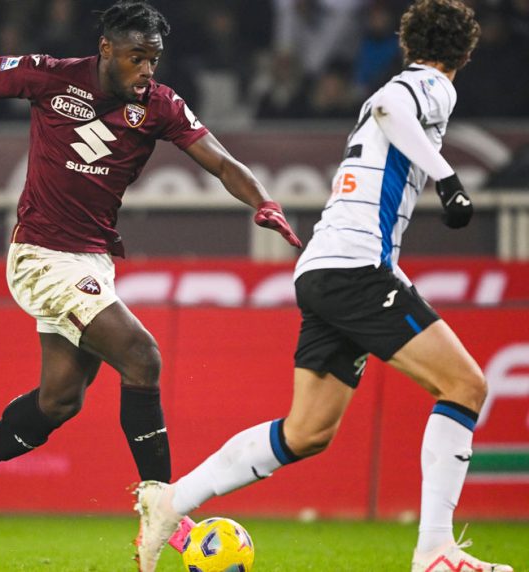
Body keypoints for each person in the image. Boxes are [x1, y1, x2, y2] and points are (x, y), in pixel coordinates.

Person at [0, 0, 301, 554]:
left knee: (60, 401)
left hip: (92, 261)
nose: (147, 71)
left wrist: (263, 202)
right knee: (142, 357)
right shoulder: (52, 76)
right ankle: (164, 507)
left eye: (155, 60)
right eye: (137, 58)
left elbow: (220, 160)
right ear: (107, 50)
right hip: (41, 255)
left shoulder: (160, 105)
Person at [133, 2, 514, 571]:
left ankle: (170, 502)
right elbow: (390, 106)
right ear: (464, 53)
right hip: (357, 267)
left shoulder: (396, 87)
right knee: (466, 386)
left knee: (307, 431)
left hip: (325, 267)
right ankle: (435, 552)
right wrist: (450, 180)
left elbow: (384, 110)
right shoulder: (431, 84)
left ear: (410, 43)